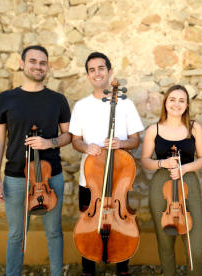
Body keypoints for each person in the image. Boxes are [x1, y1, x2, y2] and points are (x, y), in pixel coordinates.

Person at [0, 45, 71, 276]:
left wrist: (49, 143)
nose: (38, 66)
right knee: (17, 234)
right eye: (33, 61)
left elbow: (69, 135)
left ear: (48, 67)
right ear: (22, 63)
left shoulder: (58, 99)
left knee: (54, 231)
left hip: (51, 177)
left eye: (43, 63)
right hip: (16, 177)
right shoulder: (6, 98)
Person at [69, 52, 144, 276]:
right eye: (92, 70)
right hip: (90, 179)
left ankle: (122, 267)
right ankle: (88, 269)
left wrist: (121, 142)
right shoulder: (81, 106)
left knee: (121, 220)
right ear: (88, 75)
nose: (97, 73)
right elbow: (75, 141)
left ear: (110, 72)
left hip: (119, 178)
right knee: (88, 222)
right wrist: (86, 147)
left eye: (101, 68)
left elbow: (136, 140)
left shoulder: (126, 104)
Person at [141, 85, 202, 276]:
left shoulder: (195, 128)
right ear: (165, 103)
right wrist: (163, 163)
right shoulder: (154, 129)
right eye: (172, 99)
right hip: (162, 184)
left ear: (187, 105)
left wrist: (184, 168)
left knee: (196, 250)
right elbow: (145, 161)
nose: (176, 104)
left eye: (181, 100)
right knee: (166, 243)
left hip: (189, 183)